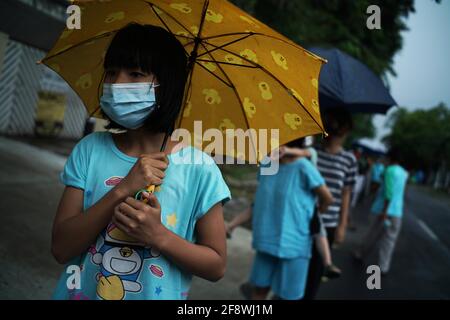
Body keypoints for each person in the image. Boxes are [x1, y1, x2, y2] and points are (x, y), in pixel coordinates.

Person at [51, 24, 231, 300]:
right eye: (111, 72)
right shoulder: (90, 150)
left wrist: (158, 235)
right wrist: (124, 188)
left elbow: (216, 265)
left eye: (135, 74)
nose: (117, 83)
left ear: (167, 86)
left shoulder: (201, 168)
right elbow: (61, 247)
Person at [228, 139, 334, 300]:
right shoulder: (267, 164)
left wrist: (314, 212)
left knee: (288, 296)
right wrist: (232, 224)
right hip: (267, 241)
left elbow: (327, 198)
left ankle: (328, 263)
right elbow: (259, 203)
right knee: (259, 291)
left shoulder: (303, 167)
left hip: (295, 244)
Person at [302, 107, 358, 300]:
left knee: (315, 274)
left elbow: (346, 194)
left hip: (329, 225)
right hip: (304, 220)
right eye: (333, 125)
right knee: (297, 270)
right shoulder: (313, 152)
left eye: (340, 127)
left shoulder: (349, 159)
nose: (337, 131)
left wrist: (342, 225)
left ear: (346, 130)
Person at [353, 148, 408, 275]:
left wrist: (384, 211)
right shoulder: (404, 173)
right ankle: (383, 266)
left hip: (382, 210)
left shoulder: (389, 171)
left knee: (372, 234)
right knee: (390, 240)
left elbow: (388, 193)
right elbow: (402, 192)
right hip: (397, 212)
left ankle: (360, 254)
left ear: (390, 158)